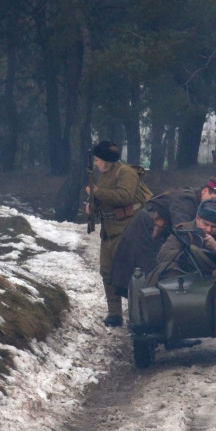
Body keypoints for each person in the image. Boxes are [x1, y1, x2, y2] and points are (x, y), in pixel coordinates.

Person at [109, 179, 216, 297]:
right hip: (148, 229)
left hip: (157, 230)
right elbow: (182, 228)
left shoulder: (197, 203)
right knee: (149, 271)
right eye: (215, 199)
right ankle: (144, 307)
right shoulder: (187, 199)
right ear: (204, 191)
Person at [85, 140, 152, 327]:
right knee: (107, 271)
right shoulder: (103, 175)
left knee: (129, 273)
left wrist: (98, 193)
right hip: (108, 229)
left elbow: (125, 196)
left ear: (107, 160)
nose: (96, 163)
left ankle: (137, 314)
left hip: (127, 228)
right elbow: (103, 200)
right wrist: (92, 206)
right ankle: (114, 313)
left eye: (98, 160)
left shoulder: (125, 173)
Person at [145, 199, 216, 286]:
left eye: (214, 226)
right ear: (197, 218)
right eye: (205, 224)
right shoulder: (183, 231)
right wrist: (186, 254)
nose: (209, 229)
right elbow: (163, 255)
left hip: (214, 281)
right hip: (185, 278)